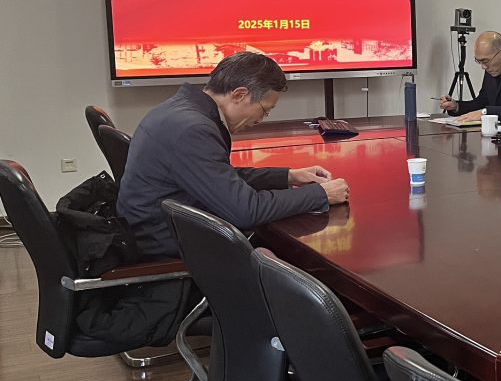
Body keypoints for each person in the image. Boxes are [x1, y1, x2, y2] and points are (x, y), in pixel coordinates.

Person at [118, 52, 349, 260]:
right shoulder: (193, 129)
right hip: (163, 244)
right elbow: (246, 211)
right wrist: (321, 194)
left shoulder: (182, 109)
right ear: (239, 95)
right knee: (290, 254)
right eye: (264, 110)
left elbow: (218, 176)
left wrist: (289, 176)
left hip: (156, 228)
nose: (260, 120)